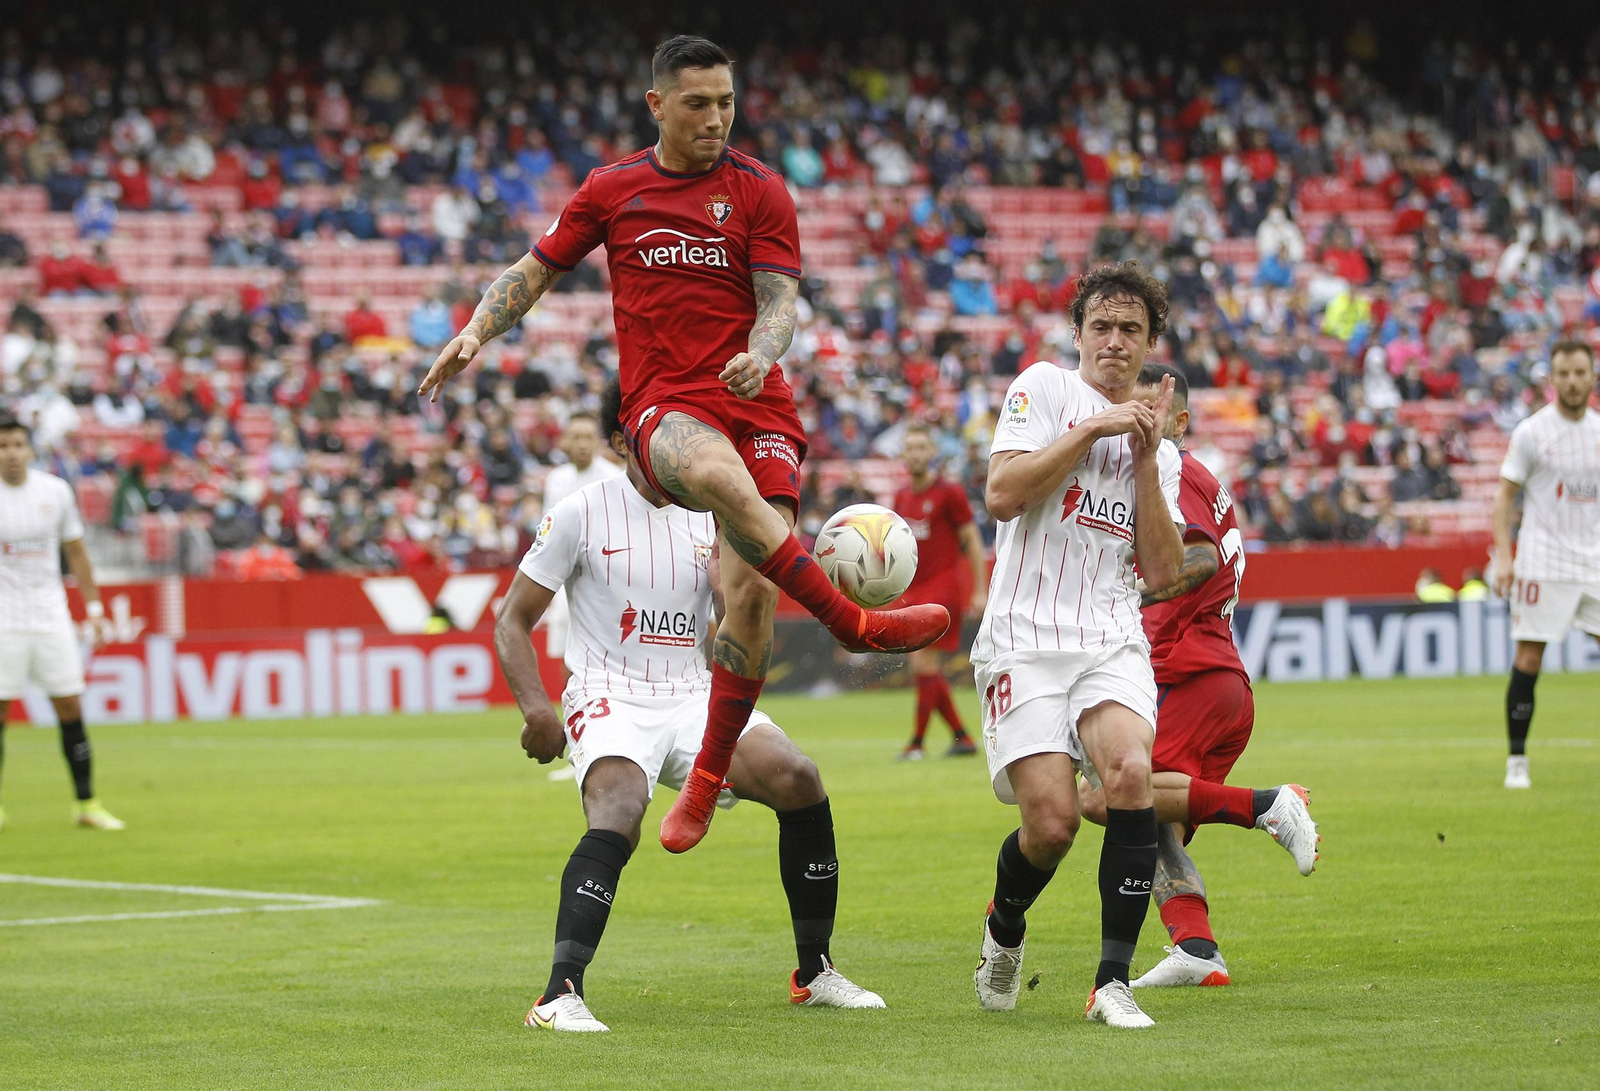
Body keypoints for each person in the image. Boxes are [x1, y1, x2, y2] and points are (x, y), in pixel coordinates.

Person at [418, 35, 948, 855]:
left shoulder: (760, 189)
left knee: (753, 596)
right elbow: (535, 268)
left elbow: (779, 303)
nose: (715, 118)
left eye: (726, 102)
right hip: (667, 404)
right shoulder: (613, 189)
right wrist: (475, 331)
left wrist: (762, 354)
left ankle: (703, 781)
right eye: (697, 103)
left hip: (757, 398)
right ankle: (848, 621)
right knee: (718, 478)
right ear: (657, 105)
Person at [494, 381, 884, 1032]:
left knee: (799, 778)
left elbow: (741, 612)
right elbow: (512, 619)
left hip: (693, 693)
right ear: (623, 441)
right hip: (608, 690)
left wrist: (733, 593)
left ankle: (815, 972)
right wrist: (537, 709)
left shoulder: (712, 513)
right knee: (620, 809)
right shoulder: (580, 511)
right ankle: (558, 995)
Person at [969, 262, 1184, 1030]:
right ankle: (1004, 924)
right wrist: (1093, 427)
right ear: (1079, 333)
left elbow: (1164, 572)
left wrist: (1148, 460)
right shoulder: (1045, 387)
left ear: (1149, 343)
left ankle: (1112, 981)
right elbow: (1002, 495)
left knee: (1129, 771)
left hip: (1109, 635)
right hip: (1024, 636)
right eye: (1102, 326)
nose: (1115, 341)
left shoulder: (1162, 447)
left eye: (1131, 329)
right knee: (1053, 823)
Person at [1076, 364, 1319, 990]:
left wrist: (1132, 590)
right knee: (1149, 823)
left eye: (1147, 409)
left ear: (1178, 420)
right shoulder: (1181, 475)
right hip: (1216, 679)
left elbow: (1202, 555)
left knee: (1100, 798)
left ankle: (1268, 805)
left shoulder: (1173, 469)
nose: (1133, 422)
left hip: (1188, 670)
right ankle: (1196, 946)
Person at [0, 416, 123, 831]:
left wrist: (94, 609)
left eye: (17, 445)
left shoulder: (55, 491)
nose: (11, 453)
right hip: (4, 617)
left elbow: (77, 552)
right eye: (3, 446)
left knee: (69, 705)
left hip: (51, 614)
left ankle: (87, 803)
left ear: (30, 450)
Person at [1490, 340, 1600, 790]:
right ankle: (1517, 761)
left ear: (1592, 377)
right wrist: (1504, 555)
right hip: (1543, 560)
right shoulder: (1531, 432)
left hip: (1593, 562)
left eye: (1580, 373)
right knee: (1530, 657)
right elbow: (1504, 498)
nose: (1572, 381)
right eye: (1564, 374)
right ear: (1552, 380)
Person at [892, 422, 987, 759]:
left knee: (923, 663)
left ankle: (916, 744)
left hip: (943, 588)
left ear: (932, 452)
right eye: (910, 448)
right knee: (924, 667)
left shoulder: (950, 493)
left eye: (922, 447)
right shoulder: (902, 496)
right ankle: (962, 737)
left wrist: (980, 590)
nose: (916, 454)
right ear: (903, 455)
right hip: (913, 591)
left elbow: (972, 541)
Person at [539, 411, 623, 783]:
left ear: (599, 441)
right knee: (567, 658)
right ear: (564, 441)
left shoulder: (612, 477)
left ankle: (609, 741)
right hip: (564, 581)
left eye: (588, 437)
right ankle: (580, 746)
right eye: (576, 437)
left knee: (603, 659)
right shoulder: (556, 480)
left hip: (602, 582)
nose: (582, 444)